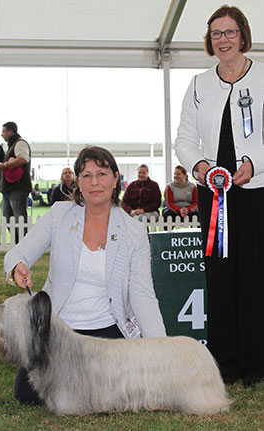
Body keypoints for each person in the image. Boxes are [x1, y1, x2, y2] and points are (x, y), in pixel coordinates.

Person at [4, 145, 166, 404]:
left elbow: (142, 296)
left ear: (116, 179)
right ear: (77, 181)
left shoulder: (133, 232)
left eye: (101, 174)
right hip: (58, 329)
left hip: (108, 333)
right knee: (27, 395)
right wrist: (16, 267)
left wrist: (162, 350)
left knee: (106, 397)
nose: (94, 182)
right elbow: (17, 254)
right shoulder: (59, 215)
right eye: (86, 175)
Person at [174, 6, 264, 388]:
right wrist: (199, 168)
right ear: (209, 40)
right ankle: (224, 362)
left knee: (255, 276)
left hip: (256, 191)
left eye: (229, 32)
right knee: (220, 277)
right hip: (214, 194)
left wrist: (252, 164)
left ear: (243, 35)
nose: (222, 39)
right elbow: (183, 139)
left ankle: (256, 363)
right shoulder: (198, 84)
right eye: (215, 34)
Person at [0, 122, 32, 244]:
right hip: (9, 188)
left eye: (4, 131)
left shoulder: (20, 143)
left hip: (18, 187)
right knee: (8, 218)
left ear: (11, 132)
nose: (2, 134)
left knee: (19, 218)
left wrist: (5, 165)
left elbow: (23, 159)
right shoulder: (12, 145)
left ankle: (24, 244)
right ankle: (17, 243)